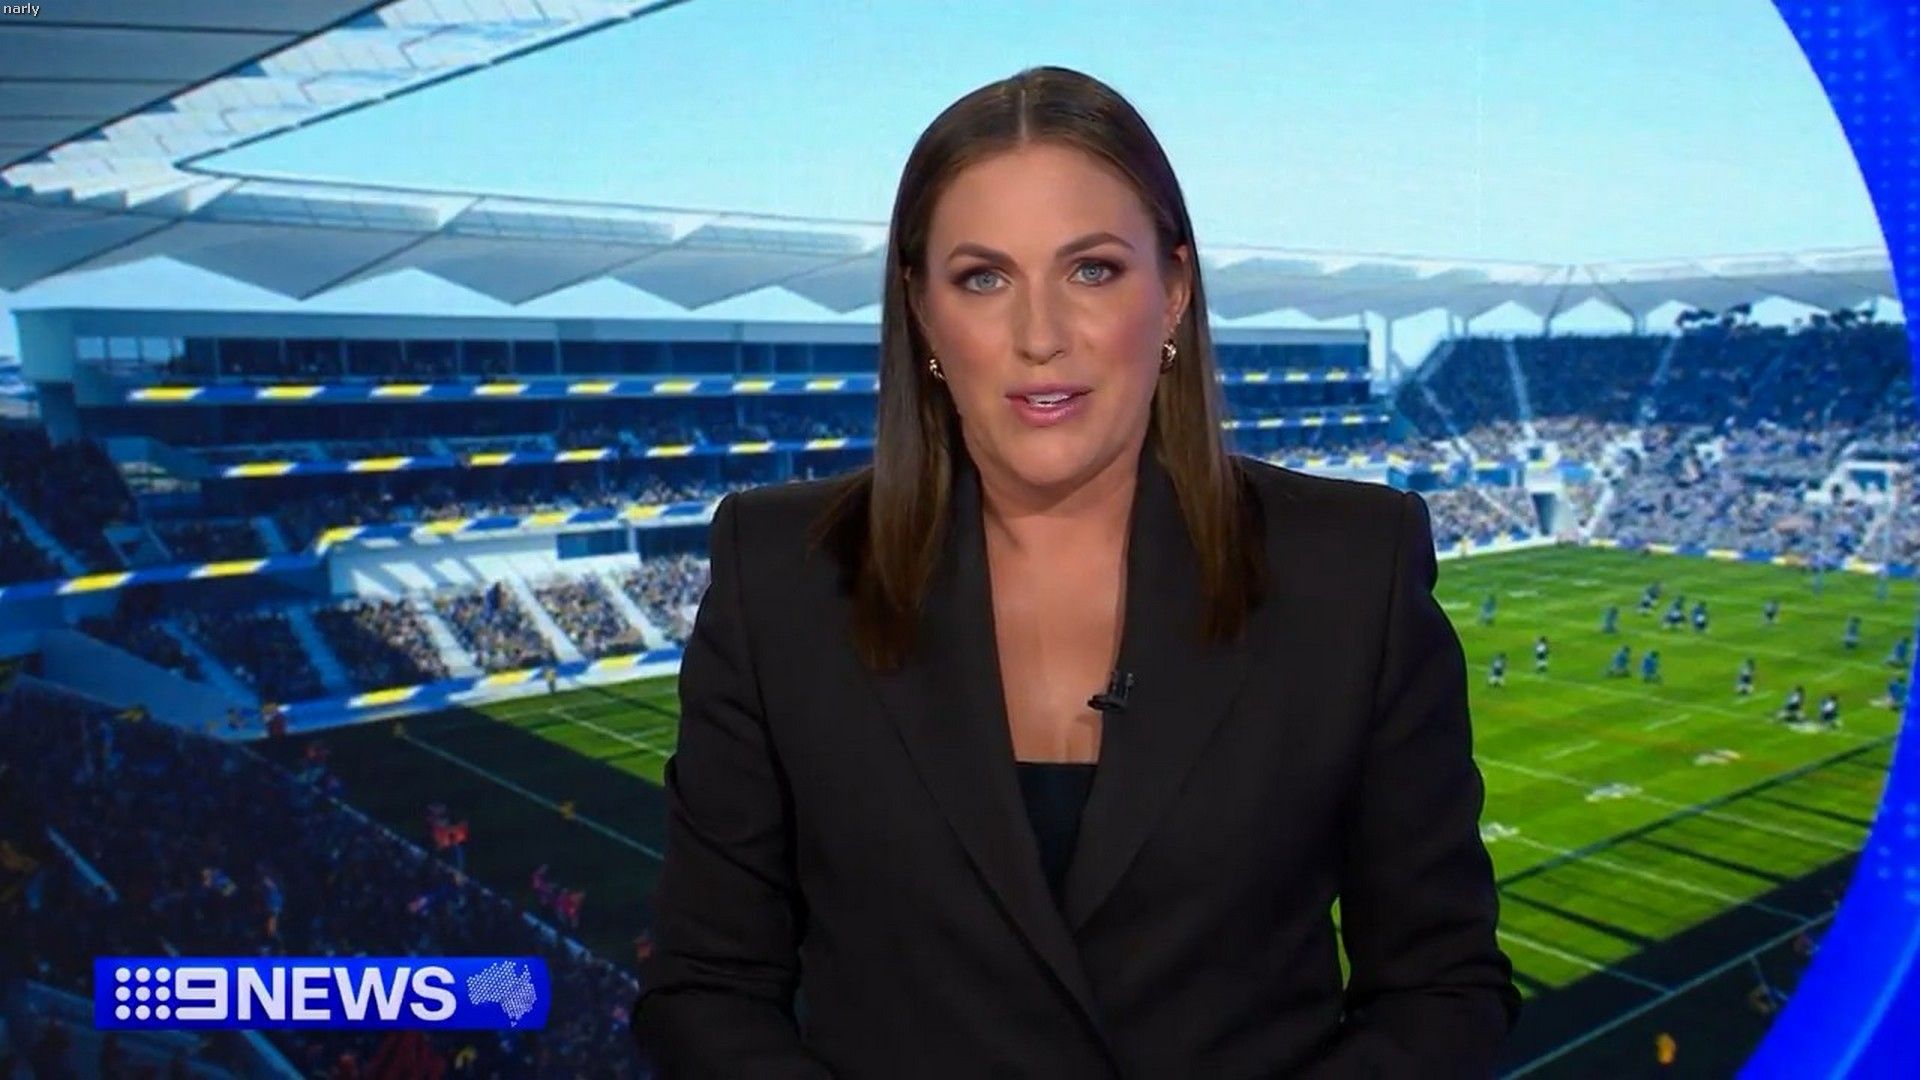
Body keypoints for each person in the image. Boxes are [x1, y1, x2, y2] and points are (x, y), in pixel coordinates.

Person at [632, 66, 1519, 1078]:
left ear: (1174, 291)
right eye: (983, 278)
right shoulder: (780, 575)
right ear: (920, 311)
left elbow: (1441, 989)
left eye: (1092, 270)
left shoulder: (1352, 567)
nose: (1040, 337)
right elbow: (705, 990)